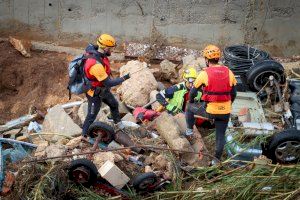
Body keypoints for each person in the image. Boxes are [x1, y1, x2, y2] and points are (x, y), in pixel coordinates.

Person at [185, 44, 237, 164]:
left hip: (210, 111)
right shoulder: (229, 72)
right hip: (225, 112)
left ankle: (189, 131)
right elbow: (234, 93)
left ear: (207, 60)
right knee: (220, 136)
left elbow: (193, 92)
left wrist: (191, 102)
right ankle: (216, 161)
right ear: (218, 59)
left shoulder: (204, 73)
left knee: (189, 107)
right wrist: (229, 105)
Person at [81, 34, 130, 141]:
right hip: (94, 93)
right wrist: (124, 78)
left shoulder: (99, 54)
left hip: (102, 89)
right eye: (111, 49)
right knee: (91, 115)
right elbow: (108, 83)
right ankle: (83, 135)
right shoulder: (95, 64)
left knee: (114, 104)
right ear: (106, 48)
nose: (112, 51)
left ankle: (118, 124)